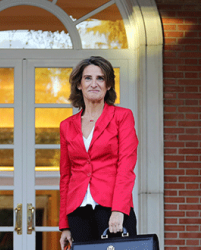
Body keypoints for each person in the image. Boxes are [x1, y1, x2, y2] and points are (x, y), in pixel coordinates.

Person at [59, 56, 139, 250]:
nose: (94, 84)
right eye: (88, 78)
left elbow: (126, 166)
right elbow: (65, 176)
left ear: (108, 85)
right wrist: (64, 225)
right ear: (79, 84)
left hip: (112, 207)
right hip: (78, 212)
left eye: (100, 78)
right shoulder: (66, 126)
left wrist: (119, 209)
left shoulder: (122, 117)